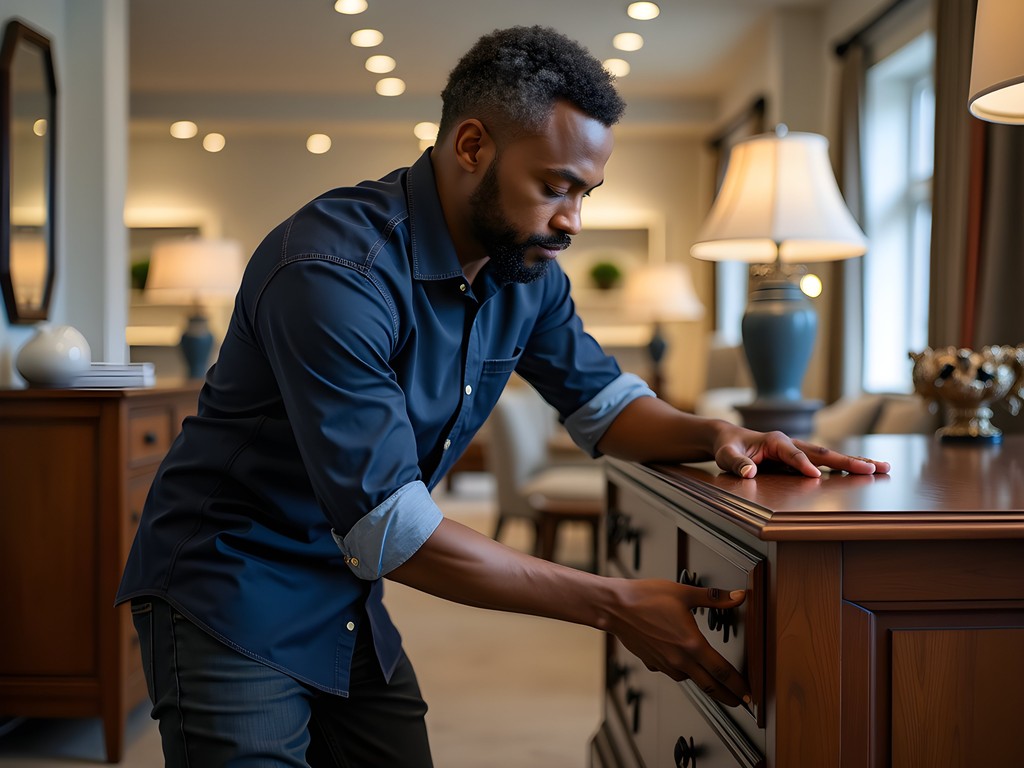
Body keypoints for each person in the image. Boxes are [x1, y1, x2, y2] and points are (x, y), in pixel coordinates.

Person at [116, 25, 888, 766]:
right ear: (472, 145)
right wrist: (612, 603)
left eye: (587, 193)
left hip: (341, 584)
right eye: (555, 187)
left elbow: (606, 405)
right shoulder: (332, 273)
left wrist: (717, 432)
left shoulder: (526, 272)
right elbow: (392, 528)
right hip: (229, 582)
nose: (572, 221)